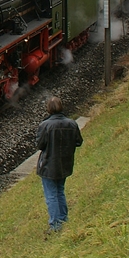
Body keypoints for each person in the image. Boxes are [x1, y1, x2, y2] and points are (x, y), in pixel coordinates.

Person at [34, 96, 83, 233]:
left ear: (49, 109)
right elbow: (78, 142)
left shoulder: (45, 125)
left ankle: (55, 224)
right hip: (65, 163)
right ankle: (63, 218)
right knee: (60, 191)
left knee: (51, 194)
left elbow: (40, 145)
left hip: (49, 163)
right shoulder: (72, 123)